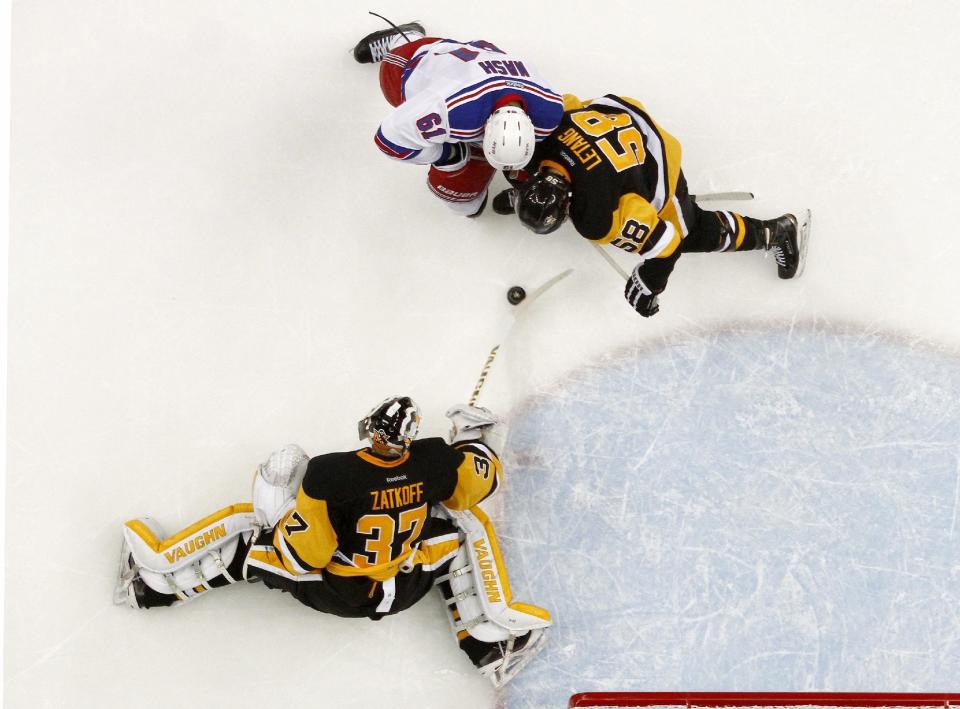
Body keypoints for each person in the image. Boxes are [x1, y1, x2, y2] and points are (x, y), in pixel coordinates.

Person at [114, 397, 550, 687]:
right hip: (400, 586)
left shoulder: (331, 475)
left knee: (247, 535)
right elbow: (475, 482)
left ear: (373, 430)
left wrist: (278, 503)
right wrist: (474, 443)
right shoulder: (433, 460)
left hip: (338, 592)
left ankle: (154, 584)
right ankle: (490, 639)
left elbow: (306, 555)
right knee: (461, 527)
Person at [492, 94, 811, 316]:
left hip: (655, 154)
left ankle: (776, 232)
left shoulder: (596, 218)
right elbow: (565, 104)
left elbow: (667, 244)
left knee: (691, 231)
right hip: (618, 113)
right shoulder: (538, 137)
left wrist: (650, 283)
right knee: (515, 160)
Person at [352, 19, 564, 217]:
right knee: (461, 199)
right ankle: (404, 38)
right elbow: (389, 138)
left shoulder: (550, 112)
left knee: (467, 203)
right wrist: (447, 155)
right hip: (414, 62)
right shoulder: (450, 109)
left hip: (479, 61)